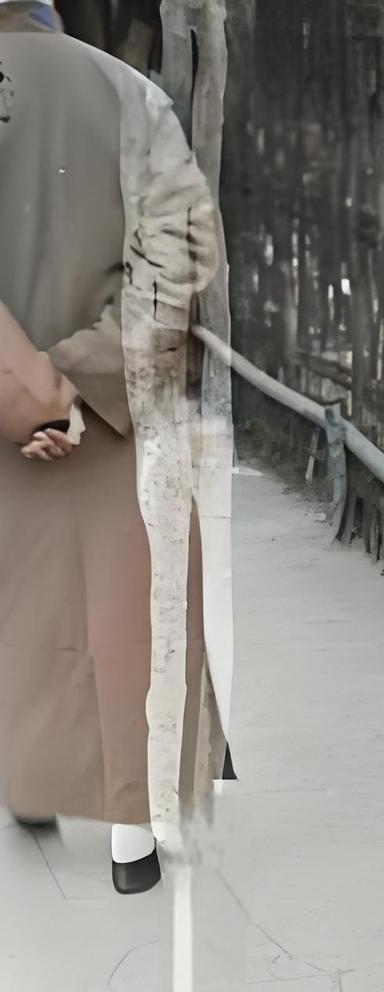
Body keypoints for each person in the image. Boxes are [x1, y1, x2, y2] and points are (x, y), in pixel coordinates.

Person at [0, 0, 222, 892]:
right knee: (129, 602)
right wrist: (78, 377)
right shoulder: (128, 94)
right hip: (115, 406)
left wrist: (22, 390)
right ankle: (134, 825)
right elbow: (178, 265)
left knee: (21, 595)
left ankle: (28, 783)